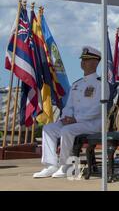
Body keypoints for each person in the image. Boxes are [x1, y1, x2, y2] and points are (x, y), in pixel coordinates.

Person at [33, 46, 102, 178]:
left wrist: (76, 119)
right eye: (82, 59)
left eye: (86, 60)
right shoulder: (76, 84)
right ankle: (51, 165)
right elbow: (69, 105)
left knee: (67, 130)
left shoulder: (101, 84)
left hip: (93, 123)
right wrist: (66, 117)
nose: (82, 62)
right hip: (74, 122)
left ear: (95, 62)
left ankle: (66, 166)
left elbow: (98, 108)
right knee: (49, 128)